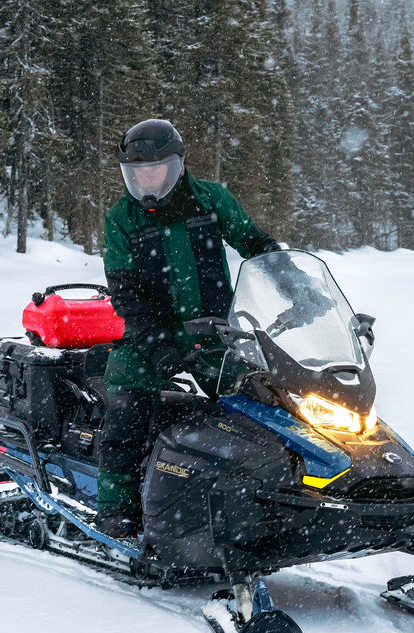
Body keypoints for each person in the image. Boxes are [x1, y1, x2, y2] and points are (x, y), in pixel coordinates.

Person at [95, 119, 279, 537]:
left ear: (176, 166)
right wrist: (158, 345)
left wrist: (290, 282)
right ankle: (115, 508)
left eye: (154, 169)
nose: (146, 180)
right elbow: (125, 295)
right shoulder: (122, 219)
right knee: (126, 400)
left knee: (259, 400)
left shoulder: (211, 200)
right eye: (136, 172)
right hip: (148, 338)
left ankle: (266, 493)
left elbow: (255, 245)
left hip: (215, 334)